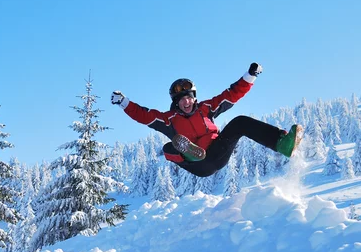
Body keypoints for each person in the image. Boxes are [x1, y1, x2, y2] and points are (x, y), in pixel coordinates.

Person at [110, 63, 302, 177]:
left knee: (240, 122)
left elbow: (231, 95)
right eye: (181, 99)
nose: (186, 102)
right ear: (176, 102)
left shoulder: (206, 108)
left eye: (189, 97)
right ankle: (191, 153)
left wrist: (250, 76)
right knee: (169, 148)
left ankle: (282, 144)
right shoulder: (169, 120)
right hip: (199, 166)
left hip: (218, 153)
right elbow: (143, 115)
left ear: (194, 98)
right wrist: (123, 102)